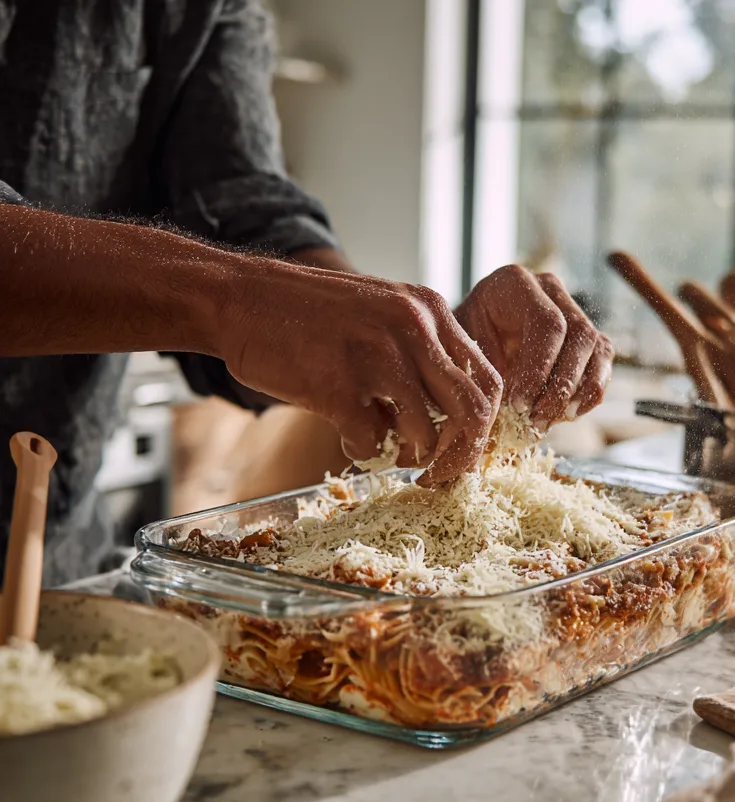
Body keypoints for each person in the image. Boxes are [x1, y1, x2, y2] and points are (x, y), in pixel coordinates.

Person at [0, 0, 613, 586]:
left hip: (53, 549)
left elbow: (241, 202)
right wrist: (235, 300)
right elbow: (240, 287)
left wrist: (415, 350)